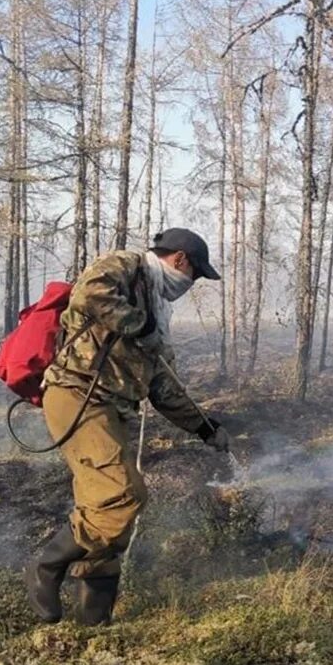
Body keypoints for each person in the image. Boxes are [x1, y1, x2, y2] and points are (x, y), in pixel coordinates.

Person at [24, 228, 231, 626]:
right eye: (196, 275)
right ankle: (46, 566)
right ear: (180, 261)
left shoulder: (158, 312)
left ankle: (94, 623)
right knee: (123, 494)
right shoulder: (125, 265)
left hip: (111, 409)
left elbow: (163, 386)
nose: (192, 285)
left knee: (106, 514)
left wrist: (205, 428)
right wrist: (141, 326)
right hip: (78, 395)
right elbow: (91, 293)